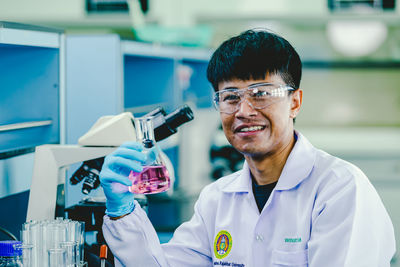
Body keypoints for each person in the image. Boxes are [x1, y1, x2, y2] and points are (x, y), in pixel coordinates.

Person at [99, 29, 396, 267]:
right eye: (230, 97)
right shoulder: (217, 199)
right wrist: (122, 211)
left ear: (295, 102)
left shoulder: (340, 189)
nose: (244, 110)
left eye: (261, 93)